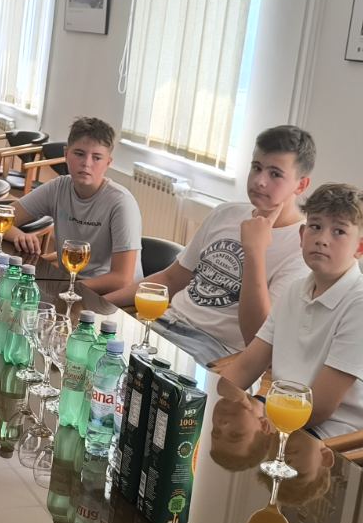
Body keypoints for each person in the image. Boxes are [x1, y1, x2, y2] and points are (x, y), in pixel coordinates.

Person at [214, 183, 363, 439]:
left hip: (335, 438)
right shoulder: (295, 290)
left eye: (339, 231)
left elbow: (319, 408)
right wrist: (217, 404)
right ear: (302, 235)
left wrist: (258, 416)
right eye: (315, 226)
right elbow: (247, 365)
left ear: (361, 247)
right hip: (285, 413)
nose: (322, 239)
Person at [110, 125, 314, 353]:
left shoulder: (301, 249)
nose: (260, 181)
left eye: (275, 174)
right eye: (256, 167)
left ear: (301, 184)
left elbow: (258, 337)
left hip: (211, 348)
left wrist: (254, 251)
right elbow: (171, 278)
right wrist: (103, 302)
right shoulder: (225, 213)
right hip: (164, 323)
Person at [4, 116, 141, 297]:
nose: (86, 163)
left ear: (108, 163)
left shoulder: (121, 203)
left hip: (110, 297)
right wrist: (19, 235)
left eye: (97, 157)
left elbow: (122, 279)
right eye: (79, 154)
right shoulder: (58, 188)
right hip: (71, 285)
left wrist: (69, 290)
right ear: (66, 154)